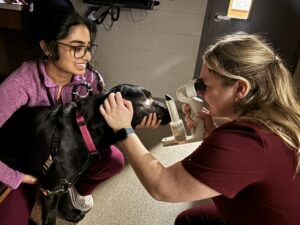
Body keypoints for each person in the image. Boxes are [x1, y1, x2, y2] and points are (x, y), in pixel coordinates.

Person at [99, 32, 300, 225]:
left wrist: (123, 129)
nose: (201, 94)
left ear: (240, 88)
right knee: (188, 219)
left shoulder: (247, 142)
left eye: (205, 87)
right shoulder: (281, 119)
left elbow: (163, 186)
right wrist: (213, 135)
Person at [0, 7, 160, 225]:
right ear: (47, 47)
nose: (87, 56)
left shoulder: (90, 81)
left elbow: (96, 132)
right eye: (77, 48)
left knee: (113, 160)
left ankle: (73, 190)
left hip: (64, 157)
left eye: (88, 47)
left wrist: (131, 124)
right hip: (23, 162)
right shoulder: (21, 83)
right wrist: (16, 177)